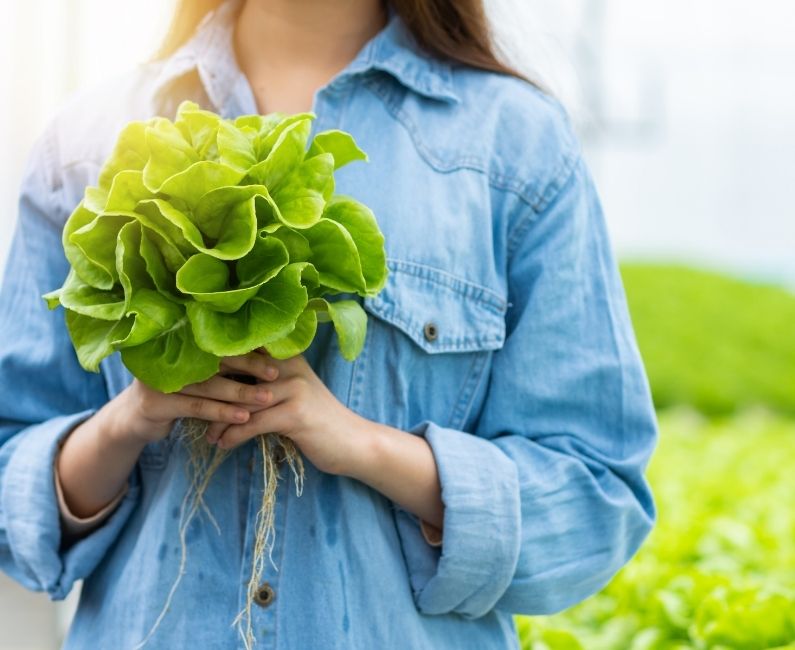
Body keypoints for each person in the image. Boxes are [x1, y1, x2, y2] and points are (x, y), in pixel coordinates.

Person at [0, 0, 658, 648]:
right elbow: (10, 478)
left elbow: (594, 499)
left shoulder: (514, 146)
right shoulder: (84, 143)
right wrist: (128, 420)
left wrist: (364, 447)